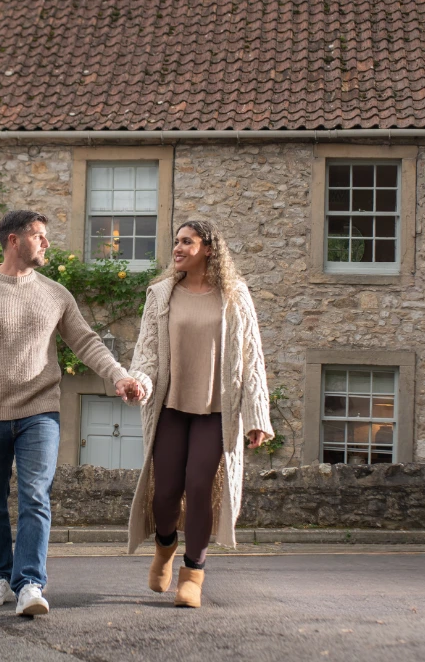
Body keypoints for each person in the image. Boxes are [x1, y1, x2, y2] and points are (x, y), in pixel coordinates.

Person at [0, 210, 141, 617]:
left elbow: (86, 342)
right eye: (40, 236)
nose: (47, 243)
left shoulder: (55, 294)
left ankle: (30, 582)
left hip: (40, 412)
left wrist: (119, 375)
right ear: (14, 240)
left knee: (34, 495)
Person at [124, 219, 273, 608]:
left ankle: (193, 572)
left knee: (201, 486)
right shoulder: (160, 295)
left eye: (187, 241)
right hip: (171, 408)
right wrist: (138, 380)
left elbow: (251, 358)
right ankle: (165, 547)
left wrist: (257, 415)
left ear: (208, 248)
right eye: (176, 241)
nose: (177, 247)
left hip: (216, 411)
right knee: (166, 493)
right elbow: (147, 353)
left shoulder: (234, 295)